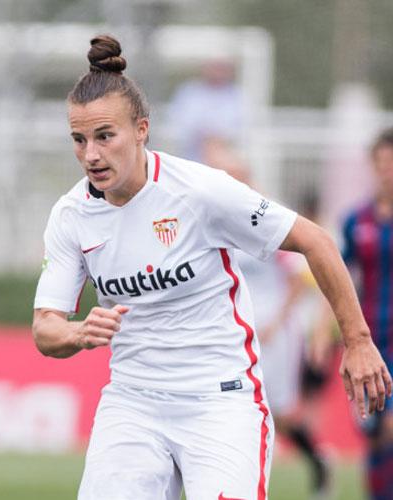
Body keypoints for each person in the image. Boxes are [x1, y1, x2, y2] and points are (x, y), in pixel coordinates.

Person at [31, 35, 391, 500]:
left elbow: (317, 242)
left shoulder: (201, 191)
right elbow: (45, 329)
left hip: (221, 400)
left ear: (141, 129)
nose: (91, 155)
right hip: (132, 402)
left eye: (105, 136)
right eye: (79, 140)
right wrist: (78, 332)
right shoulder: (70, 215)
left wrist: (358, 342)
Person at [205, 142, 332, 498]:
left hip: (274, 333)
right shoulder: (212, 218)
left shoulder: (265, 216)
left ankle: (318, 460)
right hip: (236, 333)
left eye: (229, 174)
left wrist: (278, 319)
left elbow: (298, 278)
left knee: (281, 411)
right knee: (235, 404)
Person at [341, 127, 393, 500]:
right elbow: (339, 278)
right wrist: (324, 334)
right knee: (374, 434)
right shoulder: (355, 221)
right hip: (370, 340)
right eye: (383, 162)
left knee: (391, 426)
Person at [166, 58, 244, 162]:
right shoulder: (188, 92)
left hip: (224, 155)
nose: (217, 72)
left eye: (221, 67)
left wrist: (217, 137)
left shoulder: (237, 95)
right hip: (190, 155)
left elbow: (240, 127)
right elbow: (178, 124)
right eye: (214, 67)